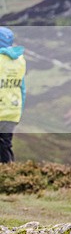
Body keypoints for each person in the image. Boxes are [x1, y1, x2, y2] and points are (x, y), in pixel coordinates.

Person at [0, 27, 26, 163]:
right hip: (12, 112)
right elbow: (22, 88)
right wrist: (19, 111)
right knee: (5, 146)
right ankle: (10, 172)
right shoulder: (19, 60)